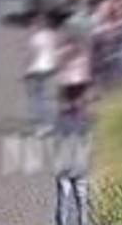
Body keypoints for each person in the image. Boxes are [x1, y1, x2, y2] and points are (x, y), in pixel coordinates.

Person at [53, 82, 94, 225]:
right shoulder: (86, 120)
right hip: (81, 167)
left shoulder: (61, 119)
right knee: (82, 206)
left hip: (65, 166)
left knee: (63, 203)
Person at [26, 13, 58, 135]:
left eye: (33, 24)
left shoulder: (35, 38)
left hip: (37, 70)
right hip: (51, 68)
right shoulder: (52, 35)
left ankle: (40, 126)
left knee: (37, 98)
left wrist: (27, 71)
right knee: (47, 97)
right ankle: (50, 124)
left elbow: (32, 56)